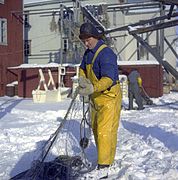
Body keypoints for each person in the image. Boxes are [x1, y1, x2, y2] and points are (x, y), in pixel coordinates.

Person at [77, 22, 122, 179]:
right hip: (95, 98)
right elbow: (82, 68)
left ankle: (105, 165)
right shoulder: (88, 53)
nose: (86, 43)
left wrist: (92, 88)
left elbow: (109, 79)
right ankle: (104, 158)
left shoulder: (106, 54)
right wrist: (82, 80)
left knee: (105, 131)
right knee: (96, 129)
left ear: (95, 37)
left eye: (88, 39)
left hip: (110, 97)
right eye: (83, 40)